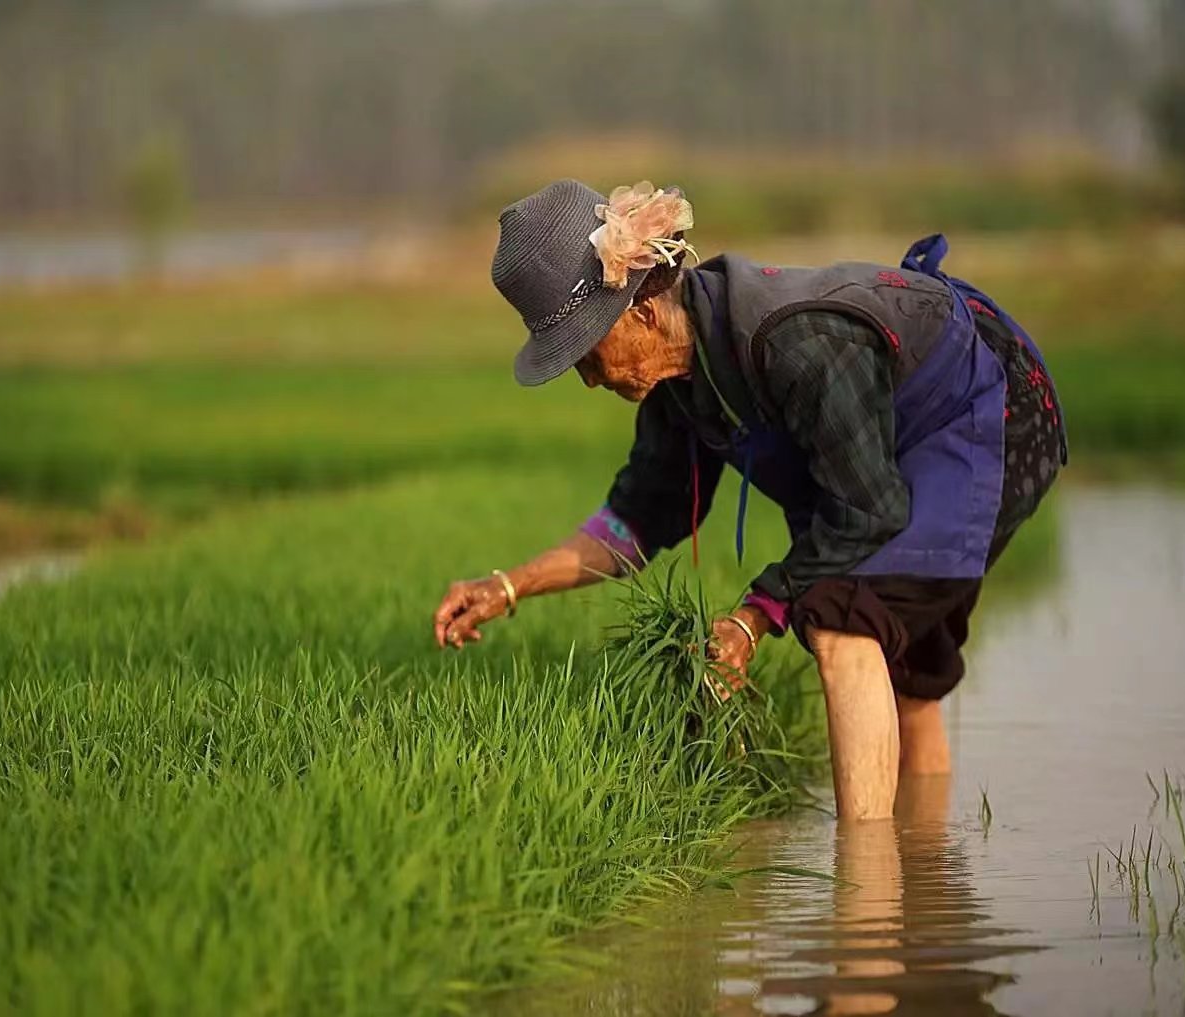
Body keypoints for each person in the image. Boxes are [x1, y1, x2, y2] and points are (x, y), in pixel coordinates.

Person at [431, 180, 1065, 820]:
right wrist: (509, 587)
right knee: (902, 677)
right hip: (896, 443)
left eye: (587, 356)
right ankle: (925, 883)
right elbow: (639, 519)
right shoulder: (680, 382)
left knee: (842, 618)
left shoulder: (797, 342)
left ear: (643, 313)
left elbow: (868, 510)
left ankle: (865, 898)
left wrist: (754, 616)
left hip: (988, 406)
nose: (590, 379)